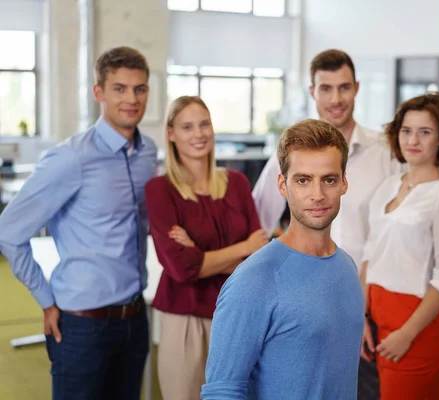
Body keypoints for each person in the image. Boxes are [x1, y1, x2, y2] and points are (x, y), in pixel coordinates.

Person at [0, 47, 157, 399]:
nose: (131, 98)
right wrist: (45, 299)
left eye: (140, 88)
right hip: (83, 325)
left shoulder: (148, 154)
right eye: (119, 88)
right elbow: (8, 232)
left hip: (134, 317)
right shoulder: (70, 157)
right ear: (98, 92)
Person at [201, 119, 365, 400]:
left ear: (344, 183)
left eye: (328, 179)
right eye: (303, 180)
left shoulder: (347, 267)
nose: (317, 195)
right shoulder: (253, 280)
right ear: (282, 185)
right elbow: (222, 392)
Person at [144, 96, 268, 400]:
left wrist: (200, 256)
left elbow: (259, 257)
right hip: (185, 318)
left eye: (204, 124)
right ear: (171, 133)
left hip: (238, 315)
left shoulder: (237, 183)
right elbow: (181, 269)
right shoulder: (159, 190)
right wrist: (242, 248)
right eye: (187, 127)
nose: (198, 134)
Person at [252, 49, 403, 269]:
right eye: (326, 89)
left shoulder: (386, 151)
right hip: (306, 283)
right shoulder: (291, 151)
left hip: (371, 287)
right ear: (312, 92)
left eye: (344, 88)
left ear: (356, 88)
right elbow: (258, 222)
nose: (336, 99)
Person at [360, 93, 439, 399]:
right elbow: (370, 256)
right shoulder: (388, 186)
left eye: (425, 132)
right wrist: (361, 319)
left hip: (417, 332)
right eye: (406, 130)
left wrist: (406, 335)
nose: (413, 140)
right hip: (380, 324)